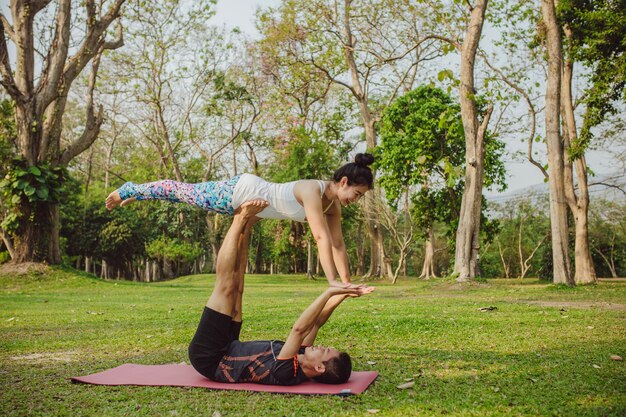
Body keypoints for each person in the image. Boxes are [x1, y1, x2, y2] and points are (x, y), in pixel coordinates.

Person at [106, 153, 375, 288]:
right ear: (343, 182)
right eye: (357, 193)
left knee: (181, 197)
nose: (356, 199)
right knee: (181, 191)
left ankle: (138, 195)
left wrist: (347, 281)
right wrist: (332, 281)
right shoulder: (312, 190)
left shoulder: (333, 206)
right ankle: (130, 190)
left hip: (250, 204)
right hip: (240, 193)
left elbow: (338, 246)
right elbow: (320, 238)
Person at [188, 200, 374, 385]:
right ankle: (246, 225)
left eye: (325, 351)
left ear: (319, 368)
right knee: (237, 288)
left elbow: (299, 329)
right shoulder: (301, 356)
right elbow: (316, 323)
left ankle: (239, 218)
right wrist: (344, 294)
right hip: (229, 345)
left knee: (226, 288)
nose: (322, 346)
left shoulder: (287, 373)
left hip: (211, 357)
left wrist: (329, 292)